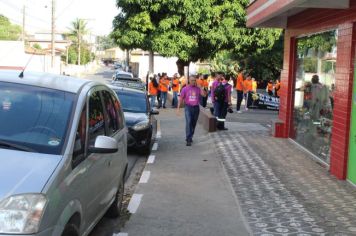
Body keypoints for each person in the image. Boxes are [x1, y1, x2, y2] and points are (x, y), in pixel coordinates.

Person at [177, 76, 207, 146]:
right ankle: (188, 139)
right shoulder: (185, 89)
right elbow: (181, 99)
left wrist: (200, 87)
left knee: (193, 123)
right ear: (189, 81)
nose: (193, 82)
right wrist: (178, 109)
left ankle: (191, 135)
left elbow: (204, 95)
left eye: (194, 80)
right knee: (189, 122)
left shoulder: (198, 89)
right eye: (192, 80)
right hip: (188, 107)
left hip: (196, 108)